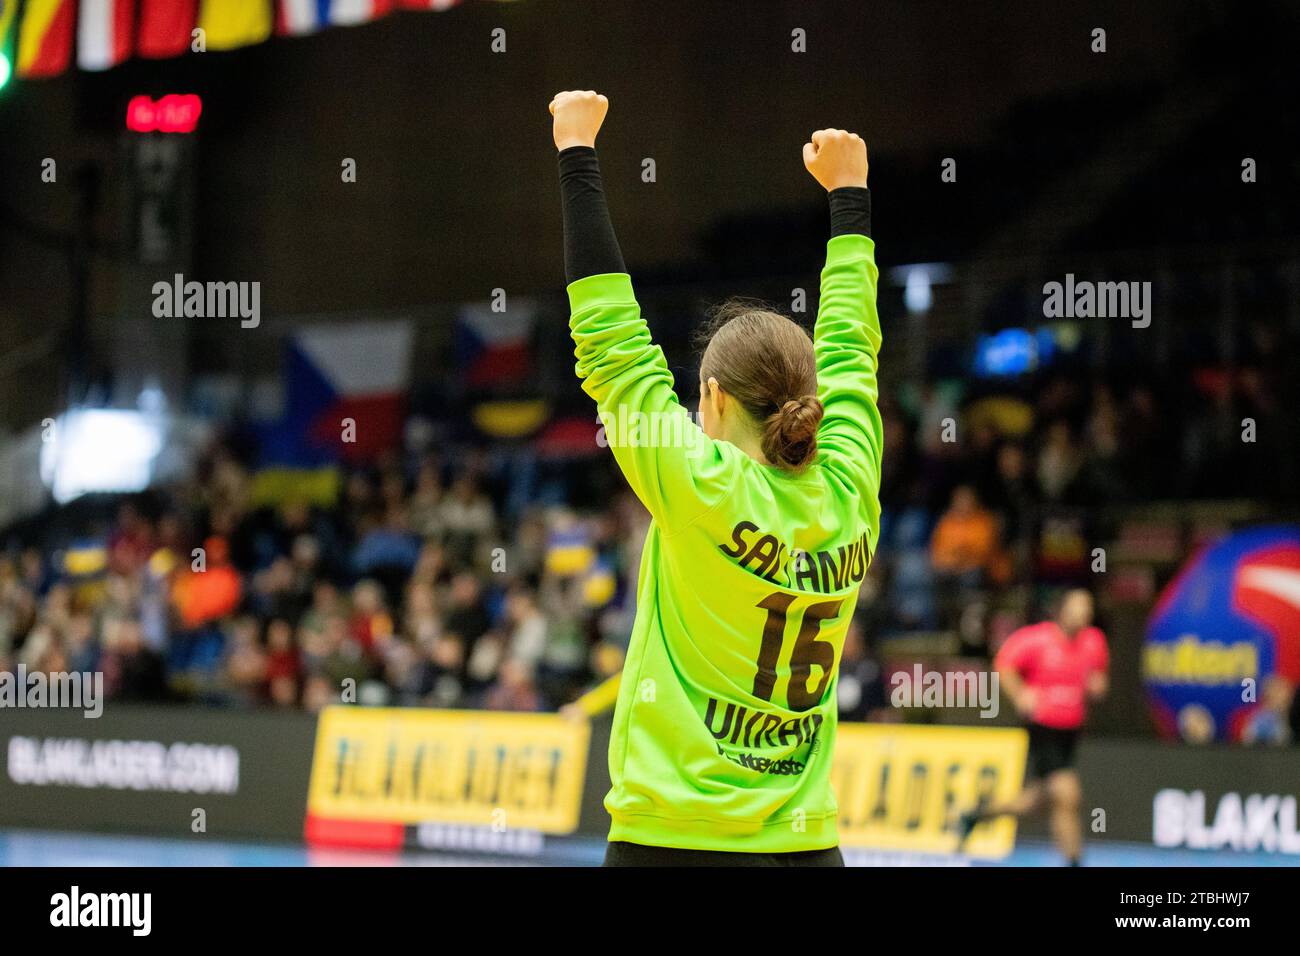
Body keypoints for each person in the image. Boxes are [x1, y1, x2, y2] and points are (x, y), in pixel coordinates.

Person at [550, 90, 883, 866]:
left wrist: (576, 154)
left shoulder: (697, 485)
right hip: (804, 844)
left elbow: (612, 345)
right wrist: (850, 201)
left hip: (672, 840)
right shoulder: (849, 485)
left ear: (713, 399)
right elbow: (851, 352)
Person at [957, 588, 1109, 865]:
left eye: (1088, 608)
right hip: (1043, 728)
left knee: (1038, 800)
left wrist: (1096, 686)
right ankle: (1074, 860)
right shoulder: (1036, 639)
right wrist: (1021, 695)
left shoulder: (1094, 641)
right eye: (1078, 607)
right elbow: (1003, 664)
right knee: (1067, 794)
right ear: (1062, 610)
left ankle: (978, 814)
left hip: (1071, 732)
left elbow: (1098, 679)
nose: (1084, 613)